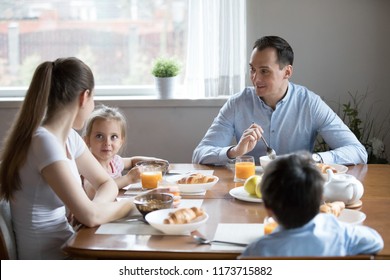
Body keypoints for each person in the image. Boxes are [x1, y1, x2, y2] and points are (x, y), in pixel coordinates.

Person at [0, 57, 133, 259]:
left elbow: (106, 183)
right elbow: (89, 216)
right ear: (84, 97)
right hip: (47, 261)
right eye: (93, 98)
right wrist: (134, 205)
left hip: (69, 244)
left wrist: (96, 207)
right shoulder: (44, 142)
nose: (92, 105)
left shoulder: (69, 137)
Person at [192, 36, 367, 165]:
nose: (255, 78)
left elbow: (357, 152)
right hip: (246, 188)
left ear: (287, 72)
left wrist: (313, 159)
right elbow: (200, 154)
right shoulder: (237, 103)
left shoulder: (310, 103)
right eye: (252, 69)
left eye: (264, 71)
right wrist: (235, 151)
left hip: (297, 190)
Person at [240, 152, 383, 257]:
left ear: (268, 208)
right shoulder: (339, 234)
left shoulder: (258, 251)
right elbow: (376, 242)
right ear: (321, 198)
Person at [82, 104, 168, 198]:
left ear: (121, 141)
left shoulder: (114, 162)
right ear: (87, 140)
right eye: (99, 136)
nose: (107, 142)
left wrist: (157, 163)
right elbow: (93, 191)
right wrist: (128, 178)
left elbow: (132, 161)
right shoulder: (88, 166)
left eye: (113, 137)